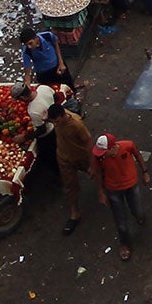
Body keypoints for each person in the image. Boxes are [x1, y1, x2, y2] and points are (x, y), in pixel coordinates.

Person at [90, 133, 150, 260]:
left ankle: (139, 217)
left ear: (112, 148)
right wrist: (100, 192)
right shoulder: (99, 158)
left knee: (138, 211)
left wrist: (145, 172)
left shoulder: (127, 146)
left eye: (104, 151)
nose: (102, 154)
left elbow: (138, 156)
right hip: (113, 190)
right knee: (121, 222)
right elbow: (98, 174)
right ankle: (125, 244)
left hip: (131, 185)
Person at [49, 100, 92, 236]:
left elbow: (88, 143)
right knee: (69, 185)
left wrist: (92, 163)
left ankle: (104, 191)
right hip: (63, 158)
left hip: (80, 156)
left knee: (97, 173)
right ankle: (75, 213)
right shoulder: (56, 118)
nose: (54, 124)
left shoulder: (77, 124)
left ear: (63, 116)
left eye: (56, 121)